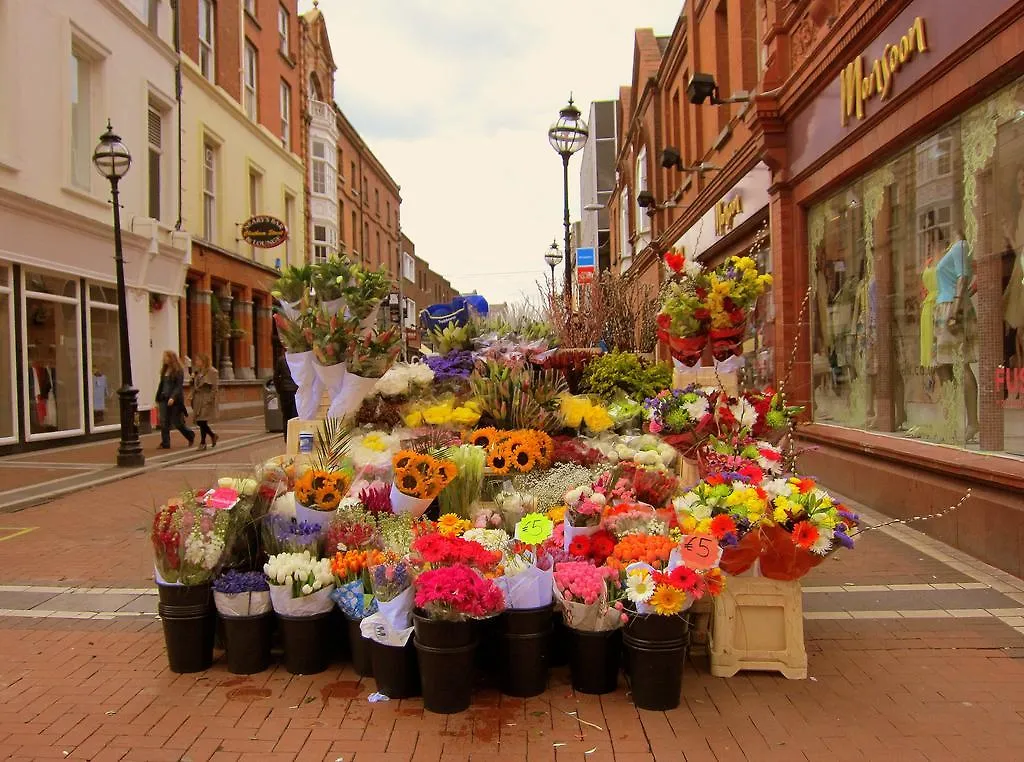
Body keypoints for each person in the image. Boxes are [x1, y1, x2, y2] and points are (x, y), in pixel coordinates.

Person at [933, 229, 979, 442]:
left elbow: (963, 277)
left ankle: (972, 422)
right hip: (945, 306)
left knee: (962, 364)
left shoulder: (960, 246)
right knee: (943, 366)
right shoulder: (952, 249)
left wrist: (957, 307)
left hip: (952, 306)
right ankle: (951, 420)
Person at [155, 350, 195, 449]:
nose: (164, 359)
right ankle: (165, 443)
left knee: (177, 422)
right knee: (163, 421)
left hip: (174, 400)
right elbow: (162, 384)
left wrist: (173, 397)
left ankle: (190, 435)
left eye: (166, 357)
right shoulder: (164, 370)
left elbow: (178, 386)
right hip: (163, 398)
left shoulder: (178, 371)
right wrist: (157, 397)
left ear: (171, 358)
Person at [189, 353, 219, 450]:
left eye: (198, 360)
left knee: (202, 420)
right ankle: (212, 435)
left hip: (206, 398)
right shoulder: (197, 372)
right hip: (197, 399)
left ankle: (203, 442)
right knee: (199, 421)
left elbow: (214, 388)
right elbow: (194, 385)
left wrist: (210, 399)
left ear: (204, 361)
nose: (196, 362)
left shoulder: (212, 372)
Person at [273, 351, 298, 440]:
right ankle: (295, 437)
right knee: (296, 415)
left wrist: (279, 389)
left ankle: (287, 438)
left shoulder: (281, 359)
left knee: (286, 416)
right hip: (296, 390)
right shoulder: (297, 359)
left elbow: (276, 377)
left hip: (285, 391)